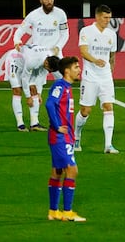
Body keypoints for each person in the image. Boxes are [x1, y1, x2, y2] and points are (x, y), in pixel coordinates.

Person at [45, 56, 86, 222]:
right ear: (67, 71)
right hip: (60, 137)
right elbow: (49, 104)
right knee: (72, 170)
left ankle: (53, 211)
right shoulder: (60, 86)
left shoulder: (67, 87)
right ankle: (67, 212)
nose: (79, 70)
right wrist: (56, 125)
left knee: (58, 171)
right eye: (76, 67)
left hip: (65, 136)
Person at [74, 5, 119, 154]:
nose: (108, 20)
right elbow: (83, 51)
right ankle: (77, 136)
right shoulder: (86, 31)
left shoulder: (111, 34)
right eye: (105, 17)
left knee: (108, 107)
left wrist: (110, 71)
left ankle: (108, 145)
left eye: (109, 17)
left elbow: (112, 56)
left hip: (106, 77)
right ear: (98, 16)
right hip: (90, 77)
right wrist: (95, 60)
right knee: (86, 110)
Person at [13, 0, 69, 79]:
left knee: (63, 80)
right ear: (41, 0)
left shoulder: (60, 14)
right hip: (38, 55)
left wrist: (58, 47)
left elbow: (65, 34)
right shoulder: (34, 15)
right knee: (36, 84)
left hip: (55, 54)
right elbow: (21, 29)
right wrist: (17, 40)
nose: (49, 1)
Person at [4, 45, 59, 132]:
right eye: (49, 70)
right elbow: (24, 79)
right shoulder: (32, 61)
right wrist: (28, 97)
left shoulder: (49, 58)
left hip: (27, 61)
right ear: (46, 63)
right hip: (15, 60)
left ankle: (34, 124)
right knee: (17, 90)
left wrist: (39, 93)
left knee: (34, 90)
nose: (48, 72)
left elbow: (41, 78)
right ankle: (20, 124)